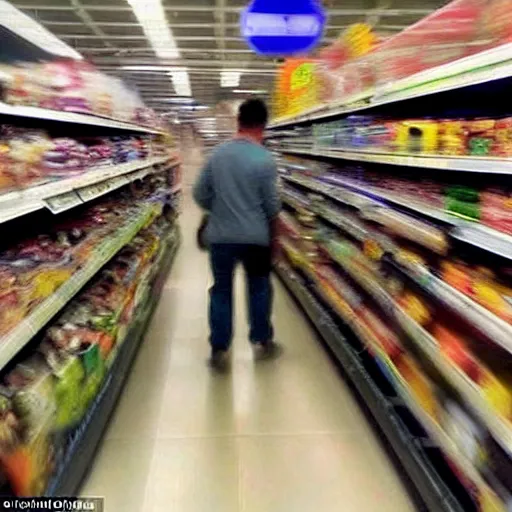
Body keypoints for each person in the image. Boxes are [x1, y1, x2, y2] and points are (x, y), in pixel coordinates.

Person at [193, 98, 281, 369]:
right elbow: (271, 206)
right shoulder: (265, 159)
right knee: (259, 287)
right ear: (263, 126)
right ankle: (262, 339)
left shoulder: (217, 155)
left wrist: (218, 207)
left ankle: (219, 347)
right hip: (256, 237)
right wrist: (275, 238)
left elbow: (199, 194)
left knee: (221, 290)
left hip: (221, 237)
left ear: (238, 122)